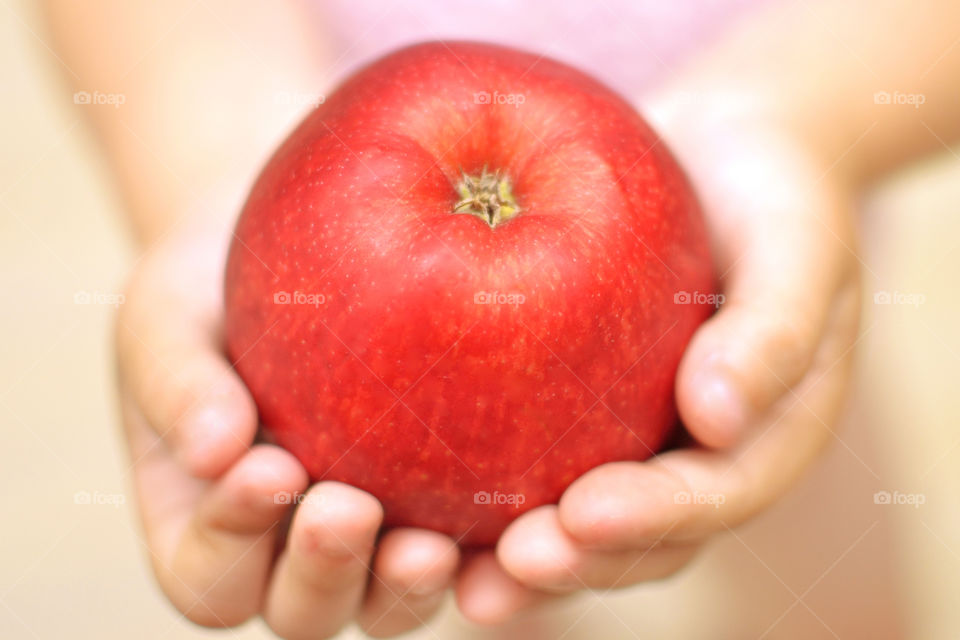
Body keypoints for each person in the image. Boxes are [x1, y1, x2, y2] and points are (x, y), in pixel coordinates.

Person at [43, 0, 960, 637]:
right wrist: (203, 152)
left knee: (808, 515)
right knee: (508, 587)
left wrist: (801, 119)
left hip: (730, 279)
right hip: (333, 153)